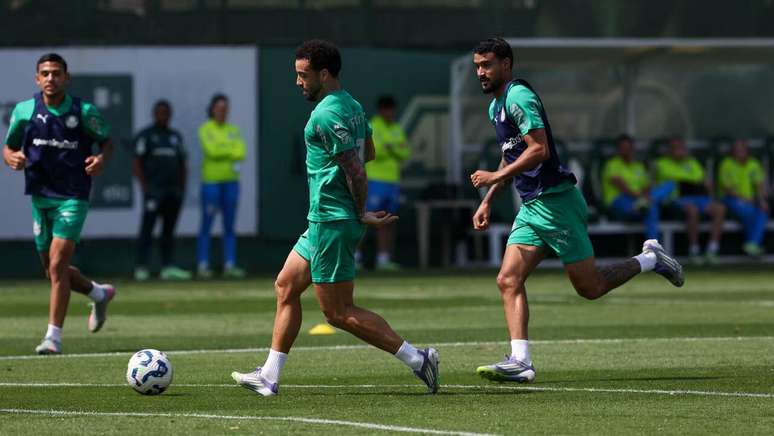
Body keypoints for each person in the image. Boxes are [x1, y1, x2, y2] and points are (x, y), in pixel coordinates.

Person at [230, 40, 439, 396]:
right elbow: (368, 151)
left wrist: (357, 212)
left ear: (323, 75)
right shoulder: (353, 105)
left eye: (303, 75)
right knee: (285, 286)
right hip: (323, 220)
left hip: (332, 220)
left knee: (339, 313)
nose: (298, 82)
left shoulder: (325, 114)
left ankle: (419, 360)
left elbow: (357, 171)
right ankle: (269, 375)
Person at [469, 38, 683, 383]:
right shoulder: (495, 108)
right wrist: (489, 198)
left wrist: (495, 176)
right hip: (532, 206)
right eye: (477, 66)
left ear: (506, 64)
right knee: (508, 279)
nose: (481, 72)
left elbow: (538, 149)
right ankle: (521, 361)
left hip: (557, 203)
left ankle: (650, 259)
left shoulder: (519, 96)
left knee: (590, 287)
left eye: (487, 64)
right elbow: (512, 156)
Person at [1, 53, 116, 354]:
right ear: (37, 79)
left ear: (67, 78)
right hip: (40, 197)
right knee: (52, 271)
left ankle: (53, 337)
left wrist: (101, 158)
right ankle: (98, 293)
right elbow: (9, 146)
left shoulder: (84, 111)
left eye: (56, 73)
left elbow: (106, 140)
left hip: (73, 196)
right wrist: (10, 157)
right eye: (45, 73)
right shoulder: (25, 111)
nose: (51, 78)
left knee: (57, 265)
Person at [132, 100, 191, 281]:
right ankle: (141, 267)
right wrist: (145, 187)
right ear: (154, 114)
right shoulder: (146, 136)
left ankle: (168, 266)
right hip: (154, 191)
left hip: (173, 191)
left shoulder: (175, 137)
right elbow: (137, 163)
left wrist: (182, 188)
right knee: (147, 228)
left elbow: (183, 164)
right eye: (160, 112)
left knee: (168, 230)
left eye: (166, 113)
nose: (163, 116)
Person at [197, 94, 246, 278]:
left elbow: (241, 152)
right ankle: (203, 265)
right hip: (211, 182)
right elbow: (212, 151)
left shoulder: (233, 129)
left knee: (229, 226)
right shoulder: (205, 129)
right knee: (206, 224)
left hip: (231, 182)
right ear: (212, 109)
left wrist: (223, 149)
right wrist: (229, 150)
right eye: (219, 108)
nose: (223, 111)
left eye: (226, 108)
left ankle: (230, 264)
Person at [655, 137, 725, 264]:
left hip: (697, 196)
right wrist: (690, 180)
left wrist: (700, 185)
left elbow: (700, 178)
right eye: (675, 148)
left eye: (681, 148)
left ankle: (712, 249)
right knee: (692, 209)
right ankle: (694, 250)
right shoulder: (661, 163)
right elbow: (674, 179)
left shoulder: (692, 162)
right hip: (676, 199)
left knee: (719, 209)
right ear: (670, 150)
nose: (679, 151)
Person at [360, 95, 410, 270]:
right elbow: (376, 152)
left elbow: (405, 153)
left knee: (387, 220)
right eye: (387, 110)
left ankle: (383, 259)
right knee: (366, 218)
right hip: (375, 180)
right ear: (381, 110)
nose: (390, 113)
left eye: (392, 110)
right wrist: (393, 148)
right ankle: (355, 258)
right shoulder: (373, 125)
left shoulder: (396, 128)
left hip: (393, 181)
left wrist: (390, 148)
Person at [602, 134, 673, 240]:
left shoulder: (638, 166)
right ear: (618, 150)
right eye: (624, 148)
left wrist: (647, 194)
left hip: (640, 200)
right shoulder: (612, 164)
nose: (627, 151)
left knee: (669, 184)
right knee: (652, 208)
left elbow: (646, 186)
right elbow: (623, 187)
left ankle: (652, 248)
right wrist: (642, 196)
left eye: (629, 148)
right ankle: (654, 247)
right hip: (620, 200)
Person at [718, 139, 768, 256]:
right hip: (730, 199)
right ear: (732, 151)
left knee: (763, 210)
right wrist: (745, 200)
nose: (739, 152)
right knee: (749, 211)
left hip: (750, 200)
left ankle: (752, 245)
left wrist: (761, 200)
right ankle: (753, 244)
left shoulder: (754, 164)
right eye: (736, 150)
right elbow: (727, 189)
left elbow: (759, 185)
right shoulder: (726, 164)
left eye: (742, 149)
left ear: (747, 151)